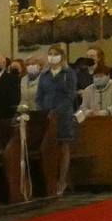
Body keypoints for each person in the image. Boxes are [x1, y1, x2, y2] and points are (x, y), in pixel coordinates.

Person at [35, 44, 78, 194]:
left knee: (63, 146)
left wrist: (57, 111)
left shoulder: (68, 73)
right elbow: (39, 96)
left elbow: (70, 95)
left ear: (62, 56)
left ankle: (62, 179)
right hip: (46, 115)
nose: (52, 56)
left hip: (63, 115)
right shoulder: (45, 75)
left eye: (55, 54)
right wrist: (43, 110)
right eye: (50, 54)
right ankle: (50, 180)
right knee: (48, 146)